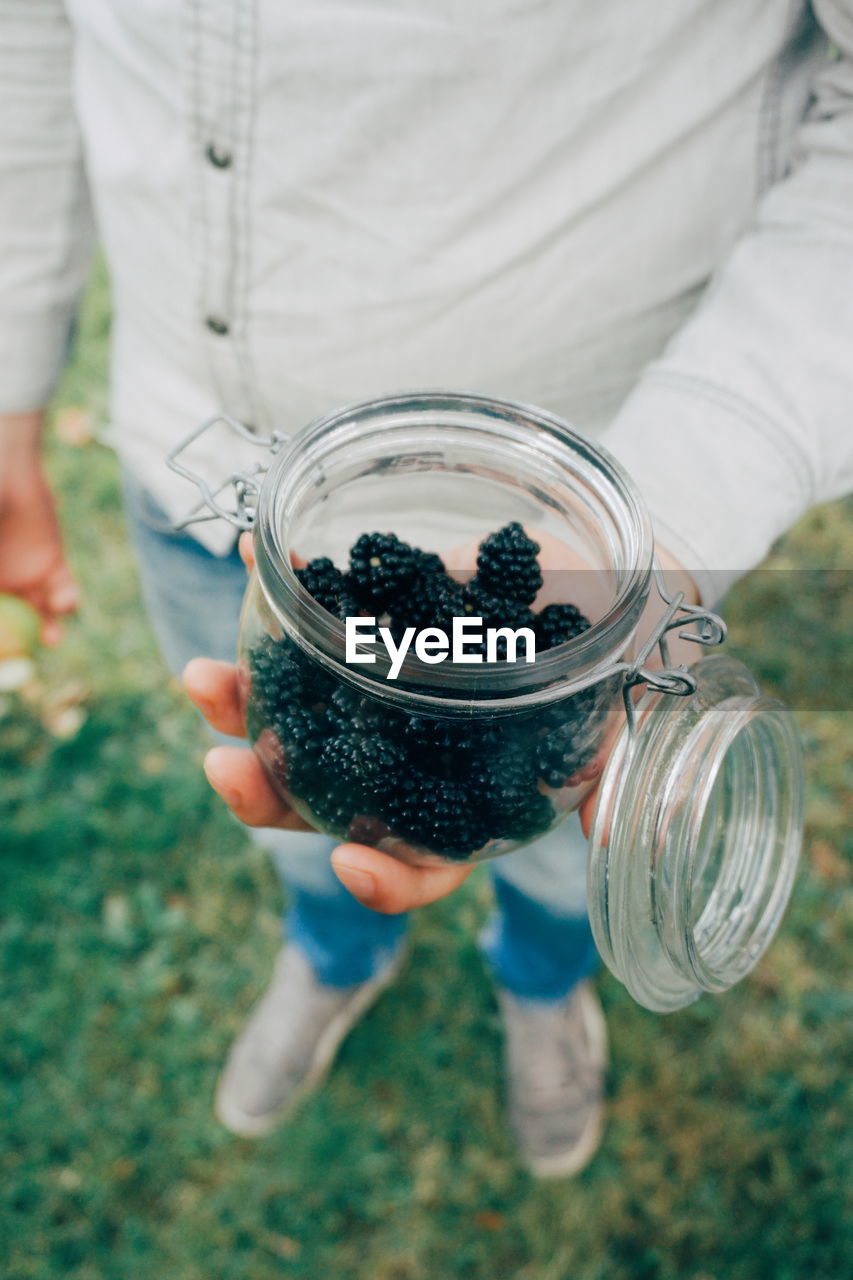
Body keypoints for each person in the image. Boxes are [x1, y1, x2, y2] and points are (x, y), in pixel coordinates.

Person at [1, 1, 852, 1178]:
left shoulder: (573, 609)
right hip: (190, 455)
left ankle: (544, 982)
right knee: (298, 815)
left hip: (597, 499)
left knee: (558, 834)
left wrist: (692, 491)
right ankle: (335, 952)